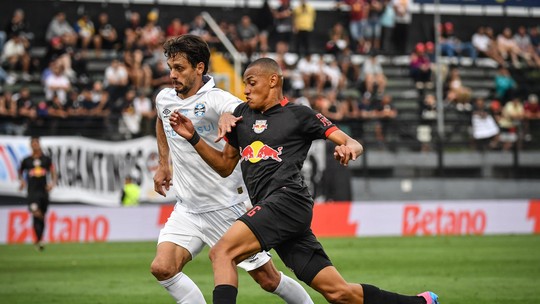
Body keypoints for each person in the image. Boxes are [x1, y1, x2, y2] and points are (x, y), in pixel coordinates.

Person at [169, 57, 439, 304]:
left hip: (288, 199)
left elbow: (350, 141)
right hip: (278, 212)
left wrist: (348, 149)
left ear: (273, 81)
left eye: (251, 83)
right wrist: (193, 137)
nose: (246, 90)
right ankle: (420, 302)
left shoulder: (300, 115)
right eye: (244, 85)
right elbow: (225, 166)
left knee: (222, 253)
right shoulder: (242, 115)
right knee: (339, 293)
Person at [150, 34, 313, 304]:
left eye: (179, 68)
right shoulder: (165, 98)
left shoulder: (217, 99)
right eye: (170, 68)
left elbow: (241, 111)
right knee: (163, 268)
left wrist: (228, 116)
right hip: (188, 209)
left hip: (227, 207)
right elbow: (161, 119)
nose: (172, 75)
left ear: (199, 68)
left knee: (268, 280)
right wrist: (163, 163)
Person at [18, 137, 57, 251]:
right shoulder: (26, 160)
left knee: (42, 216)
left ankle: (39, 240)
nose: (35, 145)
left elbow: (53, 172)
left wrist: (52, 183)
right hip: (32, 192)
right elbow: (20, 172)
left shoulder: (46, 159)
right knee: (36, 212)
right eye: (33, 144)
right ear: (31, 146)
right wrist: (22, 181)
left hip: (43, 192)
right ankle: (39, 240)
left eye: (37, 143)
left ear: (39, 144)